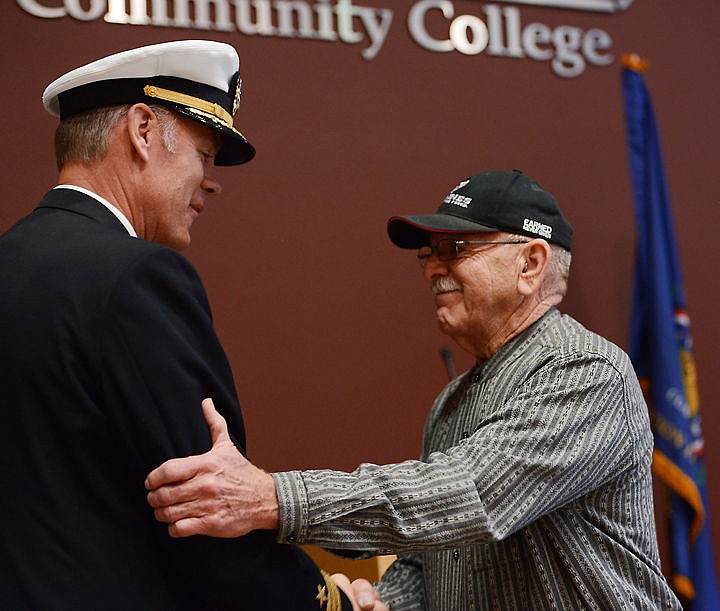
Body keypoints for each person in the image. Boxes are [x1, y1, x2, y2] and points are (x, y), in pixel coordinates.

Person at [145, 170, 682, 610]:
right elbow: (436, 559)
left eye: (457, 247)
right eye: (428, 252)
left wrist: (273, 499)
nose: (434, 269)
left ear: (530, 264)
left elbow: (472, 495)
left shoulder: (586, 373)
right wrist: (384, 601)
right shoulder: (451, 405)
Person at [0, 40, 359, 611]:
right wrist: (328, 600)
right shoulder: (138, 276)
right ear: (142, 130)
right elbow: (207, 513)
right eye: (204, 151)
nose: (210, 180)